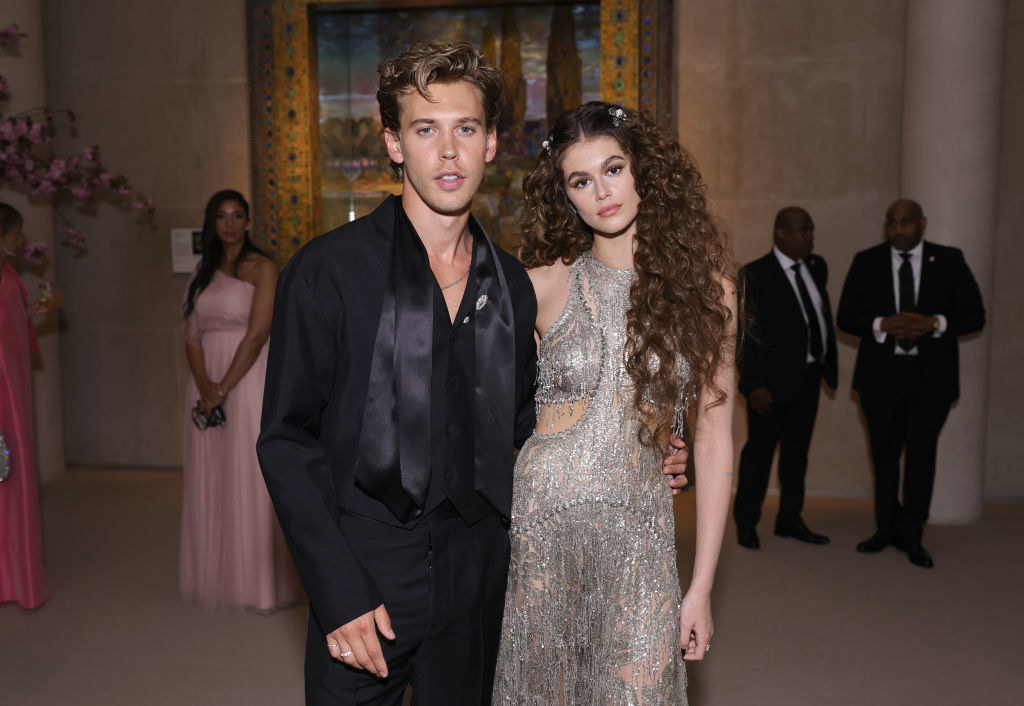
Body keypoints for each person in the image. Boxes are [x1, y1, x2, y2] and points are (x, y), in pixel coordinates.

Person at [257, 45, 690, 705]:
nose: (448, 151)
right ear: (394, 144)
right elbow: (287, 441)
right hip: (364, 571)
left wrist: (641, 444)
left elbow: (532, 420)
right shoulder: (327, 272)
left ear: (491, 144)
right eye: (426, 130)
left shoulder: (514, 285)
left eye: (466, 129)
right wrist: (337, 591)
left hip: (480, 574)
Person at [492, 102, 736, 704]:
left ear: (643, 172)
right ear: (565, 196)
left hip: (641, 535)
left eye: (613, 169)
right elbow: (483, 405)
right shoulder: (544, 282)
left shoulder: (710, 290)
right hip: (543, 526)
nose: (602, 192)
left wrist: (701, 585)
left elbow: (713, 439)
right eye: (581, 180)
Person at [837, 199, 985, 569]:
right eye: (891, 223)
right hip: (880, 379)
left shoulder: (949, 260)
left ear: (922, 224)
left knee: (921, 458)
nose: (897, 230)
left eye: (905, 223)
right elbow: (846, 316)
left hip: (930, 380)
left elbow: (974, 315)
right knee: (884, 459)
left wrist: (934, 323)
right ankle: (884, 529)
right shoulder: (866, 260)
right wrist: (880, 325)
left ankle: (913, 535)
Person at [179, 189, 299, 611]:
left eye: (237, 216)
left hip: (246, 381)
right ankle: (217, 574)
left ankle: (260, 585)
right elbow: (191, 334)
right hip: (207, 382)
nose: (230, 223)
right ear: (212, 223)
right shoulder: (201, 270)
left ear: (247, 222)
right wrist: (205, 385)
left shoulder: (263, 267)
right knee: (212, 473)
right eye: (222, 216)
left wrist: (224, 386)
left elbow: (258, 332)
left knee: (250, 473)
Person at [732, 207, 837, 550]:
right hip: (769, 387)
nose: (809, 237)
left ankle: (790, 519)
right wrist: (753, 385)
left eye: (811, 230)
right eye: (802, 231)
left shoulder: (815, 267)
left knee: (797, 455)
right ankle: (746, 523)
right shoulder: (755, 273)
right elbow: (744, 336)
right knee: (759, 455)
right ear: (780, 232)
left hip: (808, 379)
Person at [0, 202, 50, 610]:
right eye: (15, 232)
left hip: (13, 386)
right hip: (2, 394)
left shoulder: (8, 271)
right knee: (4, 475)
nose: (21, 239)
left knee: (11, 477)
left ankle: (16, 578)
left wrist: (30, 313)